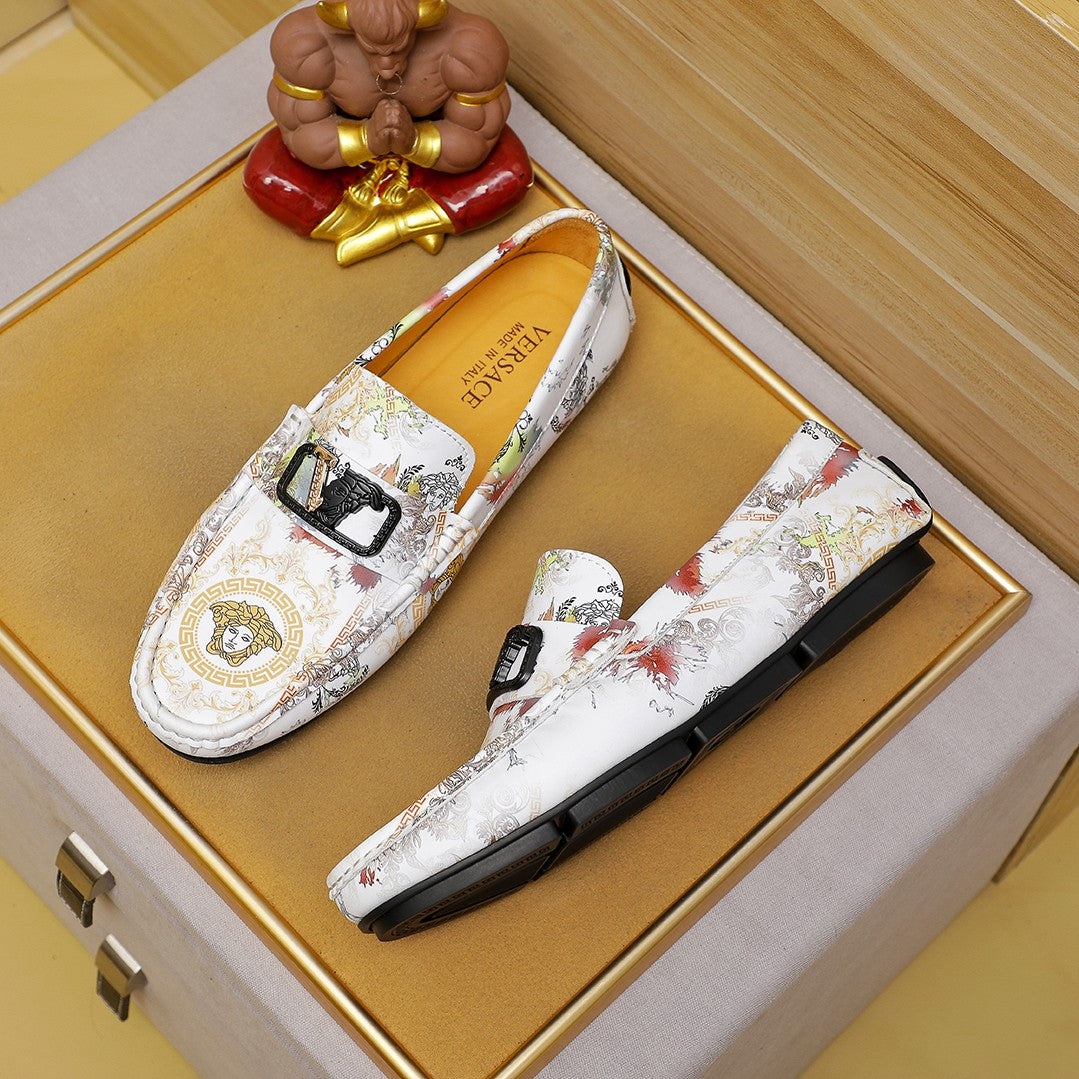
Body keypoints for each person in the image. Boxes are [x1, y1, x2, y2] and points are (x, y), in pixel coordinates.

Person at [243, 0, 532, 263]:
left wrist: (414, 141)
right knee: (264, 173)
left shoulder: (470, 46)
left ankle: (384, 228)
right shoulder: (305, 43)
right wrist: (367, 138)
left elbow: (474, 136)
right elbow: (302, 131)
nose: (386, 69)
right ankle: (423, 220)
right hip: (344, 159)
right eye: (372, 50)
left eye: (398, 49)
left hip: (435, 158)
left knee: (512, 173)